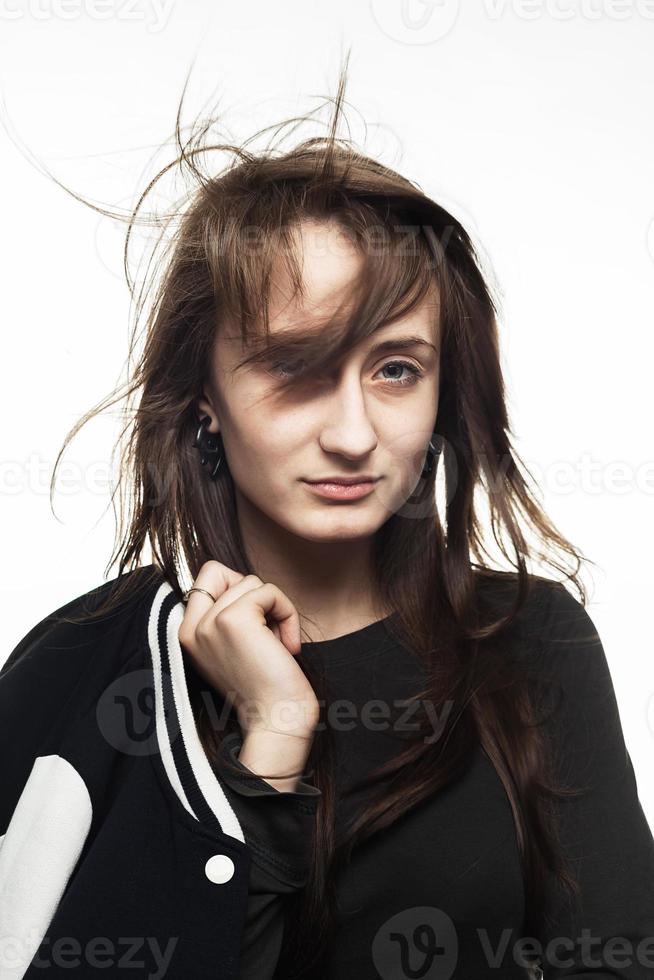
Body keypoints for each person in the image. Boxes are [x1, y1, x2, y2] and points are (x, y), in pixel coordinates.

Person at [2, 61, 653, 979]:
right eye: (297, 369)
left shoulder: (529, 645)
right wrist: (271, 732)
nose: (355, 434)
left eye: (395, 369)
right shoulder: (83, 664)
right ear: (204, 400)